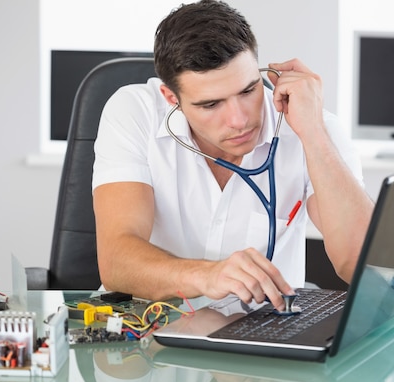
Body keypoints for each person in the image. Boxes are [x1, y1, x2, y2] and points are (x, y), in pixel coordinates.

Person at [92, 0, 373, 310]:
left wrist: (315, 134)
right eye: (211, 105)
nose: (239, 120)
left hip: (260, 333)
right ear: (171, 97)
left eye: (248, 90)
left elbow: (362, 262)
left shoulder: (315, 128)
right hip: (149, 331)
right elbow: (116, 261)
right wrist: (209, 275)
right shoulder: (135, 112)